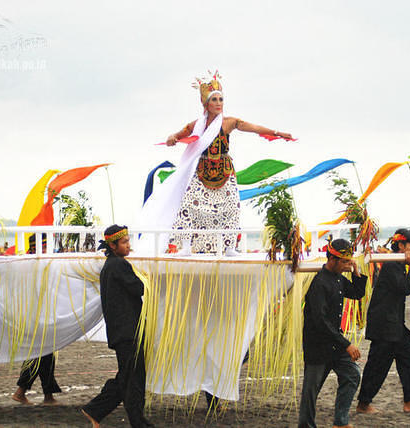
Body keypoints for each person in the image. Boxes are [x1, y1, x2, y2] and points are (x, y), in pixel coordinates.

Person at [141, 71, 293, 256]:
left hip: (225, 170)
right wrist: (171, 138)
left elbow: (254, 128)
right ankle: (186, 246)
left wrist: (277, 132)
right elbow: (177, 135)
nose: (219, 103)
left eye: (221, 99)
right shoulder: (196, 125)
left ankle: (229, 247)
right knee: (189, 205)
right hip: (202, 170)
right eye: (214, 100)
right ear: (206, 103)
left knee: (231, 207)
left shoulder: (229, 123)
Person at [81, 225, 153, 428]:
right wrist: (147, 278)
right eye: (124, 242)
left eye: (128, 241)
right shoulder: (119, 265)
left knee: (130, 377)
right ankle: (97, 410)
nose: (128, 245)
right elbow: (139, 288)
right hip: (128, 332)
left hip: (122, 331)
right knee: (131, 379)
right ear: (113, 246)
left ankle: (126, 418)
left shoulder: (111, 266)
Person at [357, 229, 410, 414]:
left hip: (394, 324)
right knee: (378, 365)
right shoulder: (392, 265)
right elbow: (405, 288)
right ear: (401, 245)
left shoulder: (397, 264)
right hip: (385, 326)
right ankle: (363, 404)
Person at [298, 239, 367, 428]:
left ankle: (341, 422)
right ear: (332, 259)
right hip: (318, 345)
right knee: (311, 391)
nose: (347, 266)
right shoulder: (319, 283)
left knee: (352, 375)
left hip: (335, 343)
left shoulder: (338, 278)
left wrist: (356, 272)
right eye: (345, 262)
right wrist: (347, 344)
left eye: (349, 262)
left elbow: (356, 293)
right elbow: (321, 322)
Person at [11, 234, 62, 406]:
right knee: (39, 355)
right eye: (44, 246)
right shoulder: (29, 264)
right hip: (34, 317)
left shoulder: (38, 263)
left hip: (40, 316)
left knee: (45, 355)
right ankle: (22, 391)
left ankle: (46, 395)